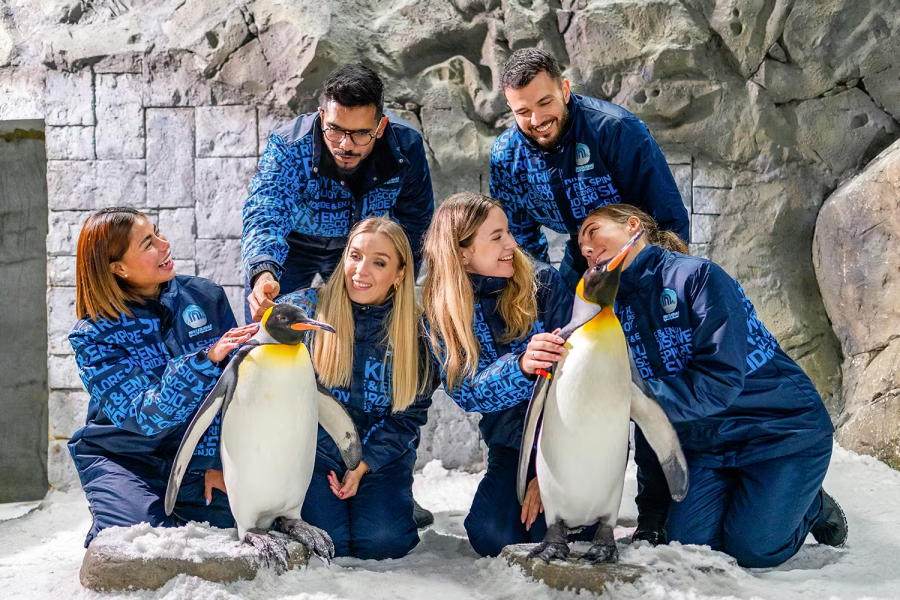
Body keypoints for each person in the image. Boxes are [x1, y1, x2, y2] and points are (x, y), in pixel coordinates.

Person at [572, 203, 847, 568]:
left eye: (593, 232)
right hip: (709, 447)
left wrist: (629, 399)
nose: (587, 248)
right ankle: (751, 496)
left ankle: (812, 505)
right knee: (692, 547)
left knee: (752, 549)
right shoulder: (614, 312)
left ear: (633, 226)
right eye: (581, 247)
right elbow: (652, 420)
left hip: (778, 431)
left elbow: (719, 382)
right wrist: (652, 519)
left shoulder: (698, 276)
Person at [490, 47, 690, 544]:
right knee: (559, 371)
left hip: (636, 265)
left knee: (643, 383)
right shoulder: (507, 156)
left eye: (544, 103)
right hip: (579, 270)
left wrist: (641, 290)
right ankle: (556, 485)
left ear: (565, 87)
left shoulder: (614, 132)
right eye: (522, 111)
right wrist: (544, 292)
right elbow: (520, 237)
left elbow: (668, 220)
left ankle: (653, 516)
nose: (535, 119)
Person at [242, 62, 435, 527]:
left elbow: (412, 228)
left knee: (379, 357)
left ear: (381, 125)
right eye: (335, 131)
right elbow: (265, 210)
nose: (346, 144)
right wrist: (264, 271)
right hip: (294, 248)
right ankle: (267, 481)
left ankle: (388, 479)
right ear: (321, 117)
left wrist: (398, 288)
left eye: (360, 134)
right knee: (268, 352)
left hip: (360, 252)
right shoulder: (290, 146)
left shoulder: (405, 150)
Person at [68, 207, 259, 546]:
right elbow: (145, 417)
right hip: (125, 456)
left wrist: (218, 461)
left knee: (235, 524)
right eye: (148, 243)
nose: (165, 244)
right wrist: (205, 359)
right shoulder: (93, 335)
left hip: (191, 452)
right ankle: (115, 501)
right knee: (140, 541)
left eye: (158, 232)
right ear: (118, 269)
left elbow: (234, 391)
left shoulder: (205, 296)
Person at [421, 192, 596, 557]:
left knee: (573, 531)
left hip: (567, 442)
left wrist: (551, 471)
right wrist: (521, 367)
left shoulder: (542, 283)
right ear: (462, 251)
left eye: (509, 232)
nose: (512, 244)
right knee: (492, 534)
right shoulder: (442, 312)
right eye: (496, 236)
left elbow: (582, 380)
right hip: (510, 447)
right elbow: (468, 391)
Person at [277, 217, 436, 560]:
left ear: (399, 274)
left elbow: (409, 416)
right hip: (317, 453)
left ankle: (398, 505)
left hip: (381, 456)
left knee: (382, 542)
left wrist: (365, 463)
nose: (361, 270)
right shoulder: (307, 310)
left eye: (379, 262)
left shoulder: (418, 331)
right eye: (355, 256)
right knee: (328, 543)